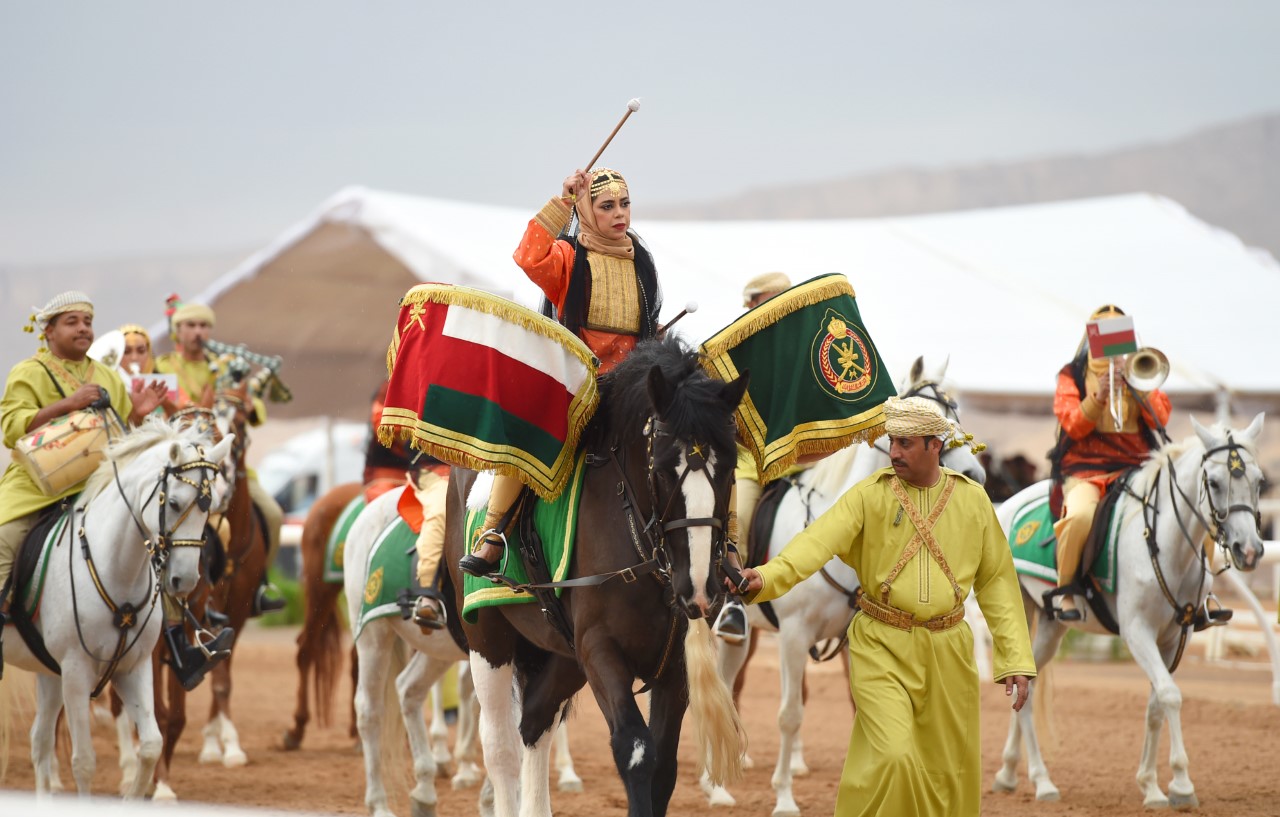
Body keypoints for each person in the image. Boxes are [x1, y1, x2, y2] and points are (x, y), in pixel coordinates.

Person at [736, 396, 1036, 817]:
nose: (894, 452)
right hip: (881, 647)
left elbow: (998, 583)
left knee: (946, 772)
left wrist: (1016, 657)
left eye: (906, 443)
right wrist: (765, 577)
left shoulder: (972, 502)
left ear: (936, 445)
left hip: (950, 653)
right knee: (894, 757)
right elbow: (813, 544)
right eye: (892, 441)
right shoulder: (867, 496)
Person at [460, 167, 666, 577]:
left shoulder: (643, 260)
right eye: (606, 206)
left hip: (633, 388)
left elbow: (650, 324)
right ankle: (493, 532)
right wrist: (563, 203)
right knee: (531, 435)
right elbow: (528, 256)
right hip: (579, 384)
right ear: (587, 210)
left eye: (624, 204)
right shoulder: (569, 257)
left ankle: (723, 547)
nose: (619, 214)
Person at [0, 292, 171, 672]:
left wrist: (139, 416)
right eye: (72, 322)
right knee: (3, 537)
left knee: (159, 534)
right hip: (35, 486)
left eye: (87, 322)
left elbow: (120, 439)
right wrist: (68, 404)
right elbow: (11, 429)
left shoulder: (107, 375)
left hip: (98, 488)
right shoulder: (27, 372)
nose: (83, 328)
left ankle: (173, 633)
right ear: (49, 331)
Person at [1047, 305, 1205, 624]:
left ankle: (1203, 592)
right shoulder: (1072, 375)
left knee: (1194, 506)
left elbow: (1160, 417)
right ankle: (1066, 589)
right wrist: (1098, 396)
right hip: (1086, 470)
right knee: (1079, 517)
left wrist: (1137, 386)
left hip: (1137, 465)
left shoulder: (1138, 369)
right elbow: (1072, 426)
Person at [154, 298, 286, 615]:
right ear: (177, 331)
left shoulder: (226, 366)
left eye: (204, 326)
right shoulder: (162, 367)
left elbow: (256, 411)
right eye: (191, 326)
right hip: (176, 466)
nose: (199, 332)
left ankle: (259, 585)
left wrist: (250, 405)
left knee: (272, 514)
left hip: (224, 462)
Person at [713, 272, 794, 644]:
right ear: (753, 304)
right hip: (752, 464)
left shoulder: (800, 352)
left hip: (801, 461)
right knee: (739, 519)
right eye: (768, 299)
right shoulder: (735, 353)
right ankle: (732, 601)